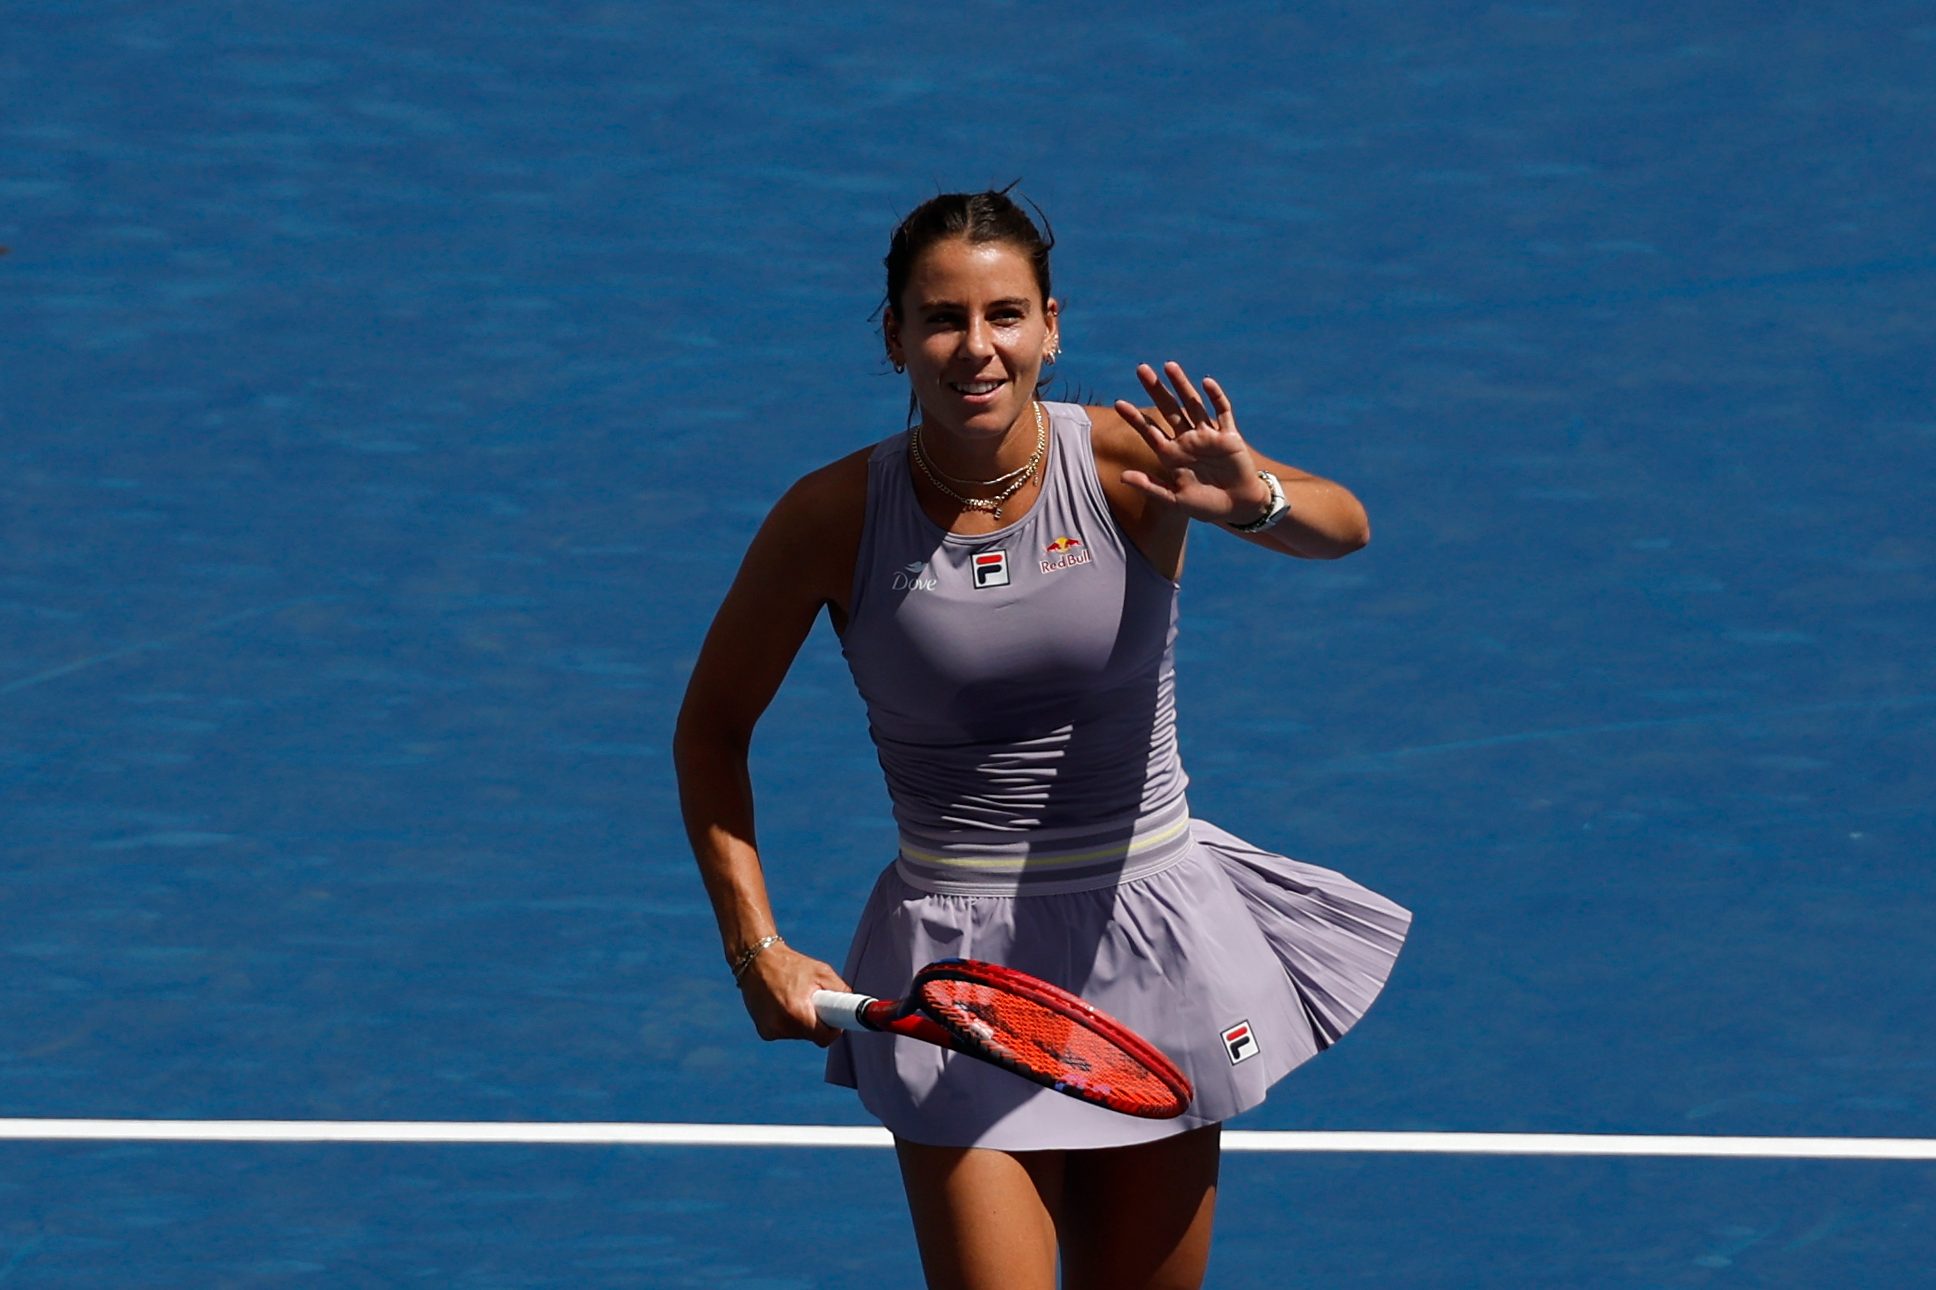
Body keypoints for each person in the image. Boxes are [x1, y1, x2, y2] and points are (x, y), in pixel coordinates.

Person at [674, 187, 1410, 1290]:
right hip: (957, 970)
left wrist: (1249, 494)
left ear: (1050, 328)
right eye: (941, 318)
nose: (976, 348)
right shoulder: (829, 518)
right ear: (892, 338)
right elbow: (711, 731)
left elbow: (1341, 524)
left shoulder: (1132, 460)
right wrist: (755, 947)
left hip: (1154, 940)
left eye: (1005, 316)